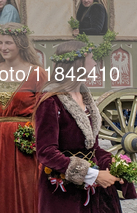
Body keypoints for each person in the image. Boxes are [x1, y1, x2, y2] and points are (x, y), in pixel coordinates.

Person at [35, 41, 136, 212]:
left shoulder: (84, 96)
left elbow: (92, 148)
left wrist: (112, 163)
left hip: (95, 194)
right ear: (78, 63)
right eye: (91, 58)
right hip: (64, 193)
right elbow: (46, 152)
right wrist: (93, 175)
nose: (95, 63)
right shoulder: (51, 101)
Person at [0, 23, 47, 213]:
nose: (3, 47)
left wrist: (33, 136)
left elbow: (44, 111)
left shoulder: (37, 73)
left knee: (26, 190)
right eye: (0, 42)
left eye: (8, 42)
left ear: (20, 44)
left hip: (24, 142)